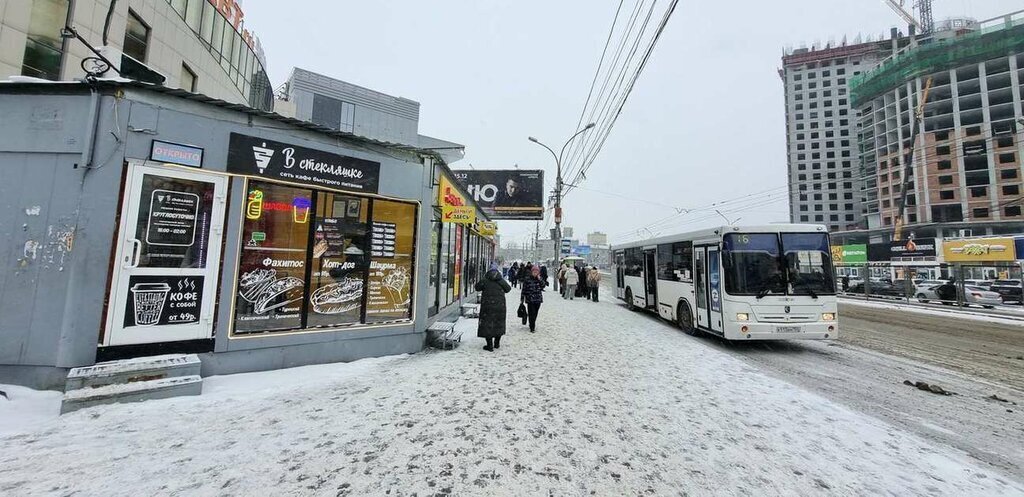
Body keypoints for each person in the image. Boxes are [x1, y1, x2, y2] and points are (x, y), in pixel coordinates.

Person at [475, 262, 512, 351]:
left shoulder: (485, 279)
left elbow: (477, 287)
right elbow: (508, 289)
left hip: (487, 306)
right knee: (499, 323)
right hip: (500, 306)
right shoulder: (500, 280)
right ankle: (497, 343)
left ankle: (489, 345)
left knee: (487, 323)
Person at [520, 265, 544, 332]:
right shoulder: (527, 279)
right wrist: (522, 298)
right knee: (531, 313)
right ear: (532, 272)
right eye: (534, 271)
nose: (535, 273)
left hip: (538, 299)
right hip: (530, 299)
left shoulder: (539, 279)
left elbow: (543, 285)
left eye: (536, 271)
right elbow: (524, 289)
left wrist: (540, 279)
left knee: (535, 313)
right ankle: (532, 327)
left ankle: (532, 322)